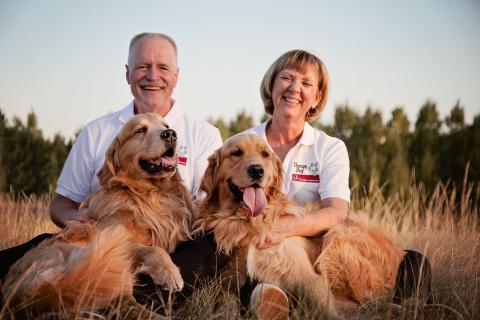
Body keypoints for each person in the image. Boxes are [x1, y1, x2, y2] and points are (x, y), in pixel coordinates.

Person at [0, 32, 228, 309]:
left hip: (177, 248)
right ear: (128, 73)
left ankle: (109, 302)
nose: (152, 76)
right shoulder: (97, 131)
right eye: (143, 66)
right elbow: (60, 203)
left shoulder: (204, 134)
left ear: (176, 76)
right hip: (104, 235)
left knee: (209, 249)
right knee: (38, 248)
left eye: (163, 68)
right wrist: (77, 216)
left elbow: (210, 213)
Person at [240, 49, 432, 319]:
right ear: (271, 85)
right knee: (252, 269)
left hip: (317, 245)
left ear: (316, 98)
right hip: (262, 245)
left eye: (306, 83)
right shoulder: (242, 143)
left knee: (414, 262)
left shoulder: (329, 147)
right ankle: (280, 301)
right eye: (287, 78)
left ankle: (403, 309)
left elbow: (336, 211)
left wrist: (284, 227)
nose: (295, 88)